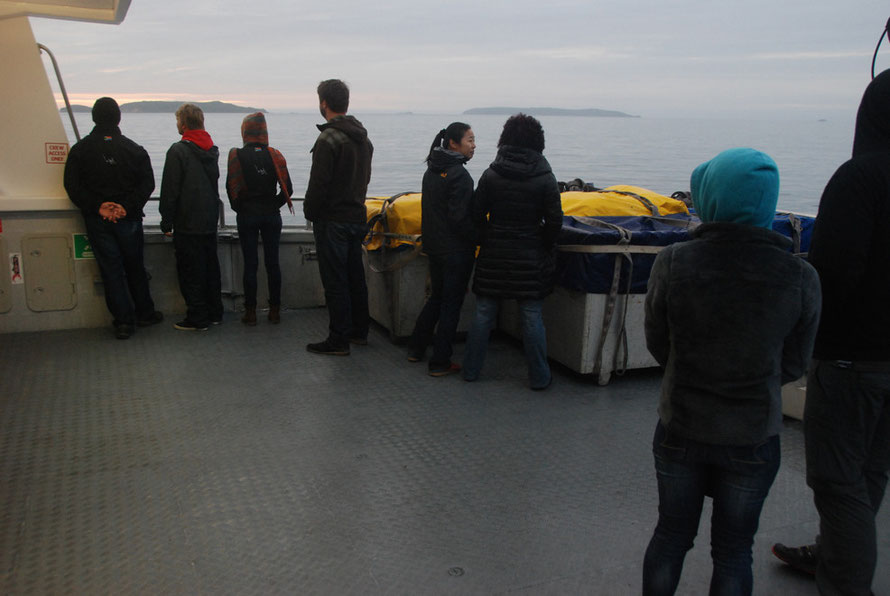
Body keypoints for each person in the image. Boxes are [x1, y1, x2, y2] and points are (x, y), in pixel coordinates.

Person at [641, 148, 821, 595]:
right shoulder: (800, 277)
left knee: (670, 538)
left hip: (682, 426)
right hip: (753, 435)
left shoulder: (675, 262)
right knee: (735, 551)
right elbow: (796, 363)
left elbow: (658, 344)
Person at [772, 71, 890, 595]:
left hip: (851, 360)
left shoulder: (859, 179)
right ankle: (833, 550)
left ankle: (844, 581)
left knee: (838, 481)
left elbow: (832, 272)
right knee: (872, 471)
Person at [461, 114, 563, 390]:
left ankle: (470, 370)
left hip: (494, 252)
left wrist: (489, 236)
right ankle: (540, 377)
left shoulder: (492, 174)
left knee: (483, 312)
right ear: (538, 141)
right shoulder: (545, 177)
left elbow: (475, 214)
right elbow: (555, 222)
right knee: (531, 315)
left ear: (505, 139)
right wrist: (542, 243)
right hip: (530, 254)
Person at [63, 97, 163, 339]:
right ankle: (145, 313)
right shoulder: (134, 150)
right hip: (128, 219)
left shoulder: (80, 151)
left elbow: (72, 185)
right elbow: (147, 183)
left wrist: (98, 207)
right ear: (118, 118)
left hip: (99, 221)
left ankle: (124, 322)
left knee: (111, 270)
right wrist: (125, 207)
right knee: (135, 267)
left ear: (94, 118)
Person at [304, 79, 373, 355]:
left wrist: (310, 212)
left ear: (323, 103)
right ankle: (359, 331)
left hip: (333, 221)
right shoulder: (363, 138)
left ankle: (338, 340)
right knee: (355, 276)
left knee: (335, 281)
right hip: (357, 216)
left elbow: (319, 184)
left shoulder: (328, 138)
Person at [406, 122, 477, 376]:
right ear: (453, 144)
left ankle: (416, 347)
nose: (474, 145)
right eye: (469, 140)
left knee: (436, 298)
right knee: (450, 305)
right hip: (456, 251)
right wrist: (477, 238)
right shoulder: (459, 174)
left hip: (435, 247)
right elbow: (460, 219)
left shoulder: (432, 171)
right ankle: (440, 361)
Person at [159, 103, 223, 331]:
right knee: (210, 269)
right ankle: (215, 312)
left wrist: (166, 220)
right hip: (209, 219)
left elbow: (170, 190)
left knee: (190, 272)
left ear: (184, 124)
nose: (177, 124)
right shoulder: (211, 150)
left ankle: (197, 317)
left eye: (178, 121)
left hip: (187, 221)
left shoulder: (178, 151)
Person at [226, 112, 294, 326]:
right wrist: (273, 205)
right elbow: (287, 189)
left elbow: (232, 190)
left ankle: (251, 313)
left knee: (250, 264)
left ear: (244, 132)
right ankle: (274, 311)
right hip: (271, 216)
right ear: (264, 132)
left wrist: (242, 209)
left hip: (247, 215)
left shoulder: (236, 154)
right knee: (273, 263)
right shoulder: (275, 155)